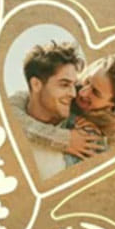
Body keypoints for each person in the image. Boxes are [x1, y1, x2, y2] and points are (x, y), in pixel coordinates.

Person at [9, 52, 115, 169]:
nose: (82, 92)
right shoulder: (70, 87)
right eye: (87, 81)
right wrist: (63, 139)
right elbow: (11, 110)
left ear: (113, 107)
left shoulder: (112, 133)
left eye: (95, 93)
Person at [12, 41, 84, 179]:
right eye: (64, 84)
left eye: (74, 85)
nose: (73, 94)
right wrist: (61, 139)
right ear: (36, 84)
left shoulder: (82, 132)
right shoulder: (3, 128)